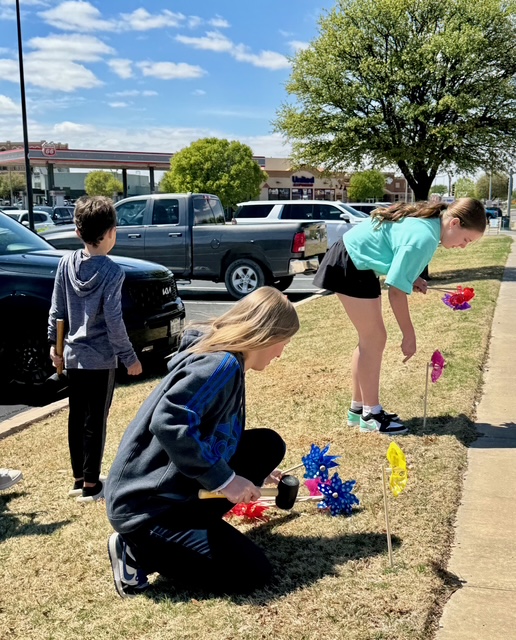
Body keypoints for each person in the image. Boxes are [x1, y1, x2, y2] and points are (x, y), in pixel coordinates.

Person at [105, 286, 299, 598]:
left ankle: (180, 532)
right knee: (253, 573)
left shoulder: (231, 363)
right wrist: (224, 479)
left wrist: (249, 474)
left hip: (176, 487)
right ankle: (135, 549)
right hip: (148, 508)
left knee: (268, 446)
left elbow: (208, 429)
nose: (281, 353)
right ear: (266, 335)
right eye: (284, 343)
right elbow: (169, 422)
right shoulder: (219, 366)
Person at [313, 198, 486, 435]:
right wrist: (409, 334)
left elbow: (393, 253)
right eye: (466, 239)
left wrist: (411, 277)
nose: (464, 246)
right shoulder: (425, 238)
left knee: (369, 339)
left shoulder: (429, 226)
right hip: (350, 264)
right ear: (454, 223)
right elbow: (395, 292)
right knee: (373, 339)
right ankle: (371, 414)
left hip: (354, 262)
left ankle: (358, 409)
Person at [48, 196, 142, 503]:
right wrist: (130, 358)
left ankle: (80, 478)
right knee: (95, 421)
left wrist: (55, 344)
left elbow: (57, 310)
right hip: (101, 360)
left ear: (78, 232)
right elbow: (114, 322)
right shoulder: (113, 272)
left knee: (76, 418)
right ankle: (91, 484)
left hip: (73, 356)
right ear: (112, 232)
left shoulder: (65, 264)